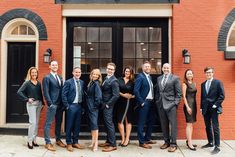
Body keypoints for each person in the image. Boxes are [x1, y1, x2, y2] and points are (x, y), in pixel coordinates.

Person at [155, 63, 182, 152]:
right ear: (162, 69)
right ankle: (166, 142)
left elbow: (179, 94)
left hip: (171, 105)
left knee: (173, 125)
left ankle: (173, 144)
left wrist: (175, 103)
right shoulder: (159, 78)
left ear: (170, 69)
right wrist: (157, 101)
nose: (166, 69)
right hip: (161, 104)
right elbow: (158, 91)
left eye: (167, 68)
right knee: (164, 124)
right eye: (164, 68)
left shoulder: (175, 78)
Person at [17, 67, 44, 149]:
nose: (34, 74)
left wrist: (42, 103)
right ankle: (29, 141)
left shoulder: (39, 83)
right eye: (32, 73)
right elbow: (19, 92)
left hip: (39, 104)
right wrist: (27, 99)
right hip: (31, 105)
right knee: (33, 123)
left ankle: (34, 140)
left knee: (36, 123)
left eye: (35, 73)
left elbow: (40, 94)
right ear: (30, 73)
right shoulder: (27, 83)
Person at [201, 67, 225, 155]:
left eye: (210, 72)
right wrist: (201, 107)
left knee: (215, 127)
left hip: (214, 108)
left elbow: (222, 96)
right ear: (205, 74)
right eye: (207, 72)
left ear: (213, 73)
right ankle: (210, 142)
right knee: (207, 126)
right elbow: (203, 97)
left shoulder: (218, 83)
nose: (208, 74)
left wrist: (216, 105)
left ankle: (217, 146)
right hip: (205, 108)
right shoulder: (203, 84)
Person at [42, 60, 65, 151]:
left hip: (60, 104)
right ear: (50, 67)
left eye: (56, 65)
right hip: (53, 104)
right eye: (53, 65)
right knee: (48, 123)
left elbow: (62, 90)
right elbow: (46, 92)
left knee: (59, 122)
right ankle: (47, 142)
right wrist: (50, 103)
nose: (55, 66)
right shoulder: (47, 77)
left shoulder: (60, 77)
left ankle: (58, 140)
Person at [62, 67, 85, 152]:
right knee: (69, 125)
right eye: (76, 72)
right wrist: (67, 106)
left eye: (79, 72)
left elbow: (83, 95)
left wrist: (82, 106)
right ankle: (69, 143)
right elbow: (63, 95)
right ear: (73, 73)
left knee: (77, 125)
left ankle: (75, 142)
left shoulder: (82, 82)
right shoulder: (68, 82)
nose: (77, 74)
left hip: (79, 106)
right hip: (71, 106)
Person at [134, 61, 156, 149]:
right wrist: (141, 101)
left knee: (151, 120)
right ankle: (141, 142)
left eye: (149, 67)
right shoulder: (140, 76)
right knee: (141, 122)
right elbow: (136, 90)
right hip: (144, 102)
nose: (147, 68)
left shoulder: (149, 77)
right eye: (146, 66)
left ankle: (147, 138)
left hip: (151, 102)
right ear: (143, 68)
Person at [98, 62, 120, 152]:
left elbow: (116, 95)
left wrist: (108, 104)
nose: (110, 70)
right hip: (103, 104)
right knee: (106, 123)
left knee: (109, 124)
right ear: (106, 69)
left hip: (108, 106)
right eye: (108, 69)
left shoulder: (114, 81)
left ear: (114, 71)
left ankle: (113, 144)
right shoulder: (106, 78)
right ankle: (108, 141)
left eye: (111, 69)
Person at [116, 66, 135, 147]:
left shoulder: (133, 82)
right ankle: (123, 138)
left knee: (128, 120)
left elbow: (135, 93)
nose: (127, 73)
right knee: (120, 121)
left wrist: (131, 96)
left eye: (129, 72)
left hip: (129, 103)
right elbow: (116, 90)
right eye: (126, 71)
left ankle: (127, 139)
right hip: (120, 102)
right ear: (124, 72)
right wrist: (123, 95)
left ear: (131, 73)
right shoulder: (119, 80)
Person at [86, 69, 102, 152]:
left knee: (95, 126)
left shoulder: (96, 84)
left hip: (93, 108)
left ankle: (96, 144)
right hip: (89, 107)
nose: (95, 76)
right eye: (94, 74)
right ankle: (92, 142)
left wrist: (94, 107)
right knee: (92, 125)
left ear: (99, 76)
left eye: (97, 75)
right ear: (91, 75)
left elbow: (98, 98)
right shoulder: (91, 83)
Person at [182, 69, 197, 151]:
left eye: (191, 73)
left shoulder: (195, 84)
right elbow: (183, 96)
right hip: (188, 105)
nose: (190, 75)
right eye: (188, 74)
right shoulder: (184, 84)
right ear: (186, 75)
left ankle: (189, 140)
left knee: (191, 124)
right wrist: (187, 107)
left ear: (193, 75)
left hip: (194, 105)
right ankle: (190, 144)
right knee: (189, 124)